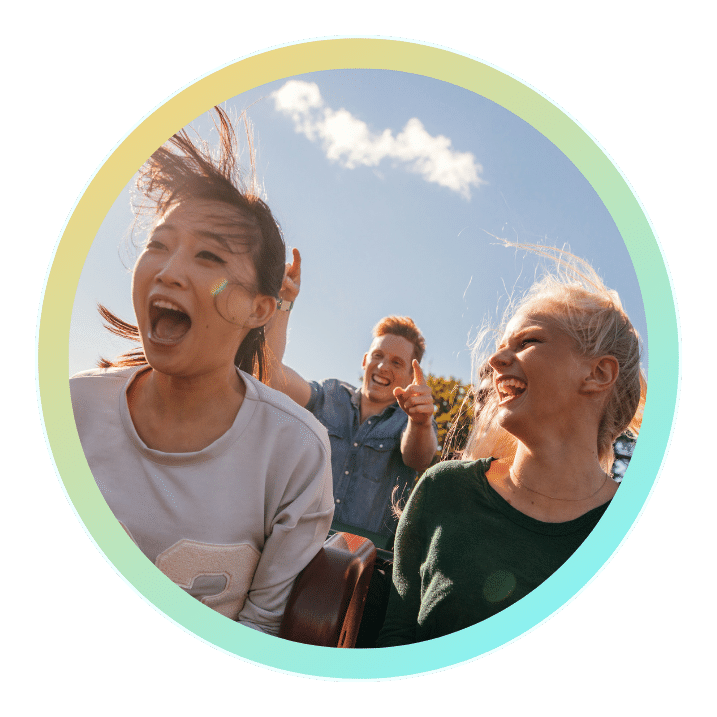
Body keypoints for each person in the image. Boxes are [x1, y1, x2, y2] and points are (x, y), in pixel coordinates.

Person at [70, 108, 334, 637]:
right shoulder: (71, 407)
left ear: (261, 309)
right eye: (158, 246)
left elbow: (263, 630)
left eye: (209, 257)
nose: (169, 272)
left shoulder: (297, 451)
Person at [377, 241, 646, 646]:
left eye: (528, 342)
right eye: (502, 345)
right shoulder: (443, 490)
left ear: (598, 374)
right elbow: (394, 643)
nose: (496, 360)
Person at [265, 249, 438, 547]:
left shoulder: (409, 422)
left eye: (397, 362)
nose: (383, 366)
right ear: (364, 361)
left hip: (360, 560)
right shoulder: (330, 394)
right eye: (378, 355)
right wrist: (283, 304)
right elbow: (270, 374)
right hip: (292, 539)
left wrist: (421, 423)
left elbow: (419, 458)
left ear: (411, 376)